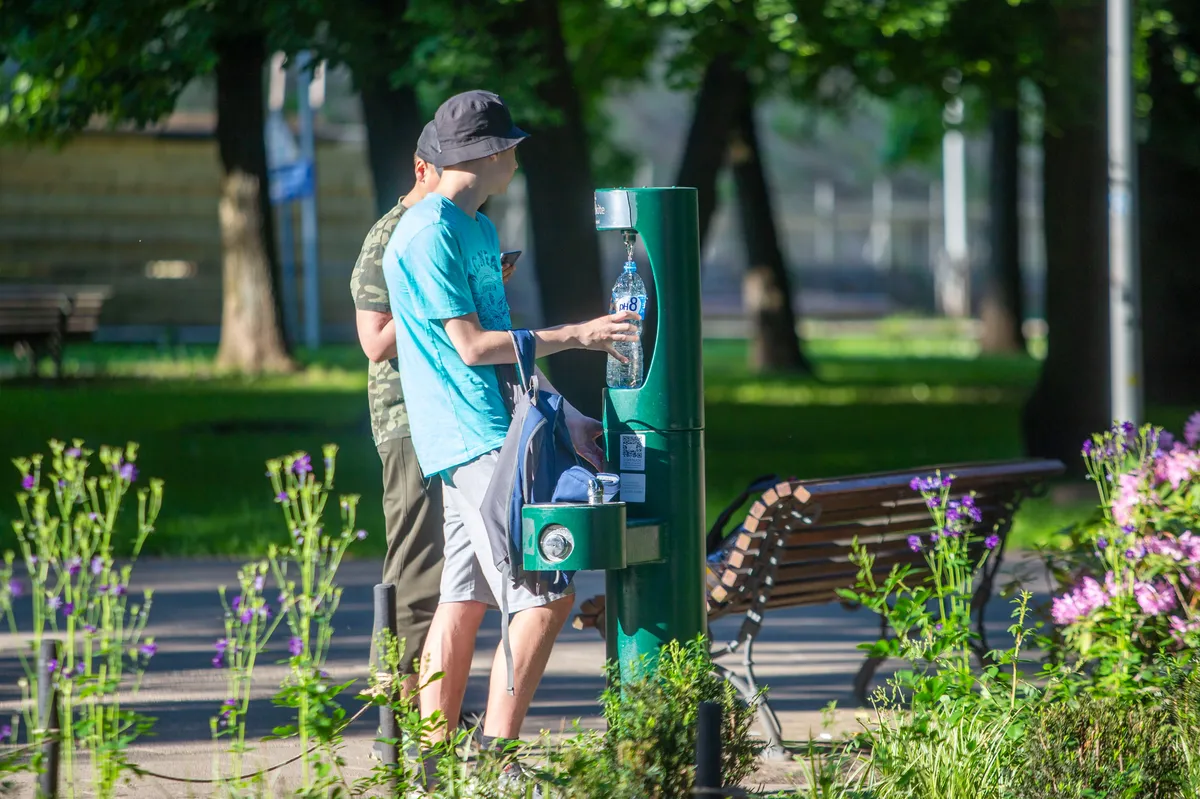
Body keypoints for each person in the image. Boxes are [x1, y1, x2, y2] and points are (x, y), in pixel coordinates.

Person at [380, 90, 637, 782]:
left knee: (463, 599)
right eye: (512, 148)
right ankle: (497, 758)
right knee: (546, 593)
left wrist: (565, 409)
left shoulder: (477, 229)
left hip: (493, 428)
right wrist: (580, 334)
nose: (518, 158)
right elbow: (471, 346)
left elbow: (512, 346)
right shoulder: (427, 233)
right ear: (490, 155)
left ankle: (431, 769)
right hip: (474, 437)